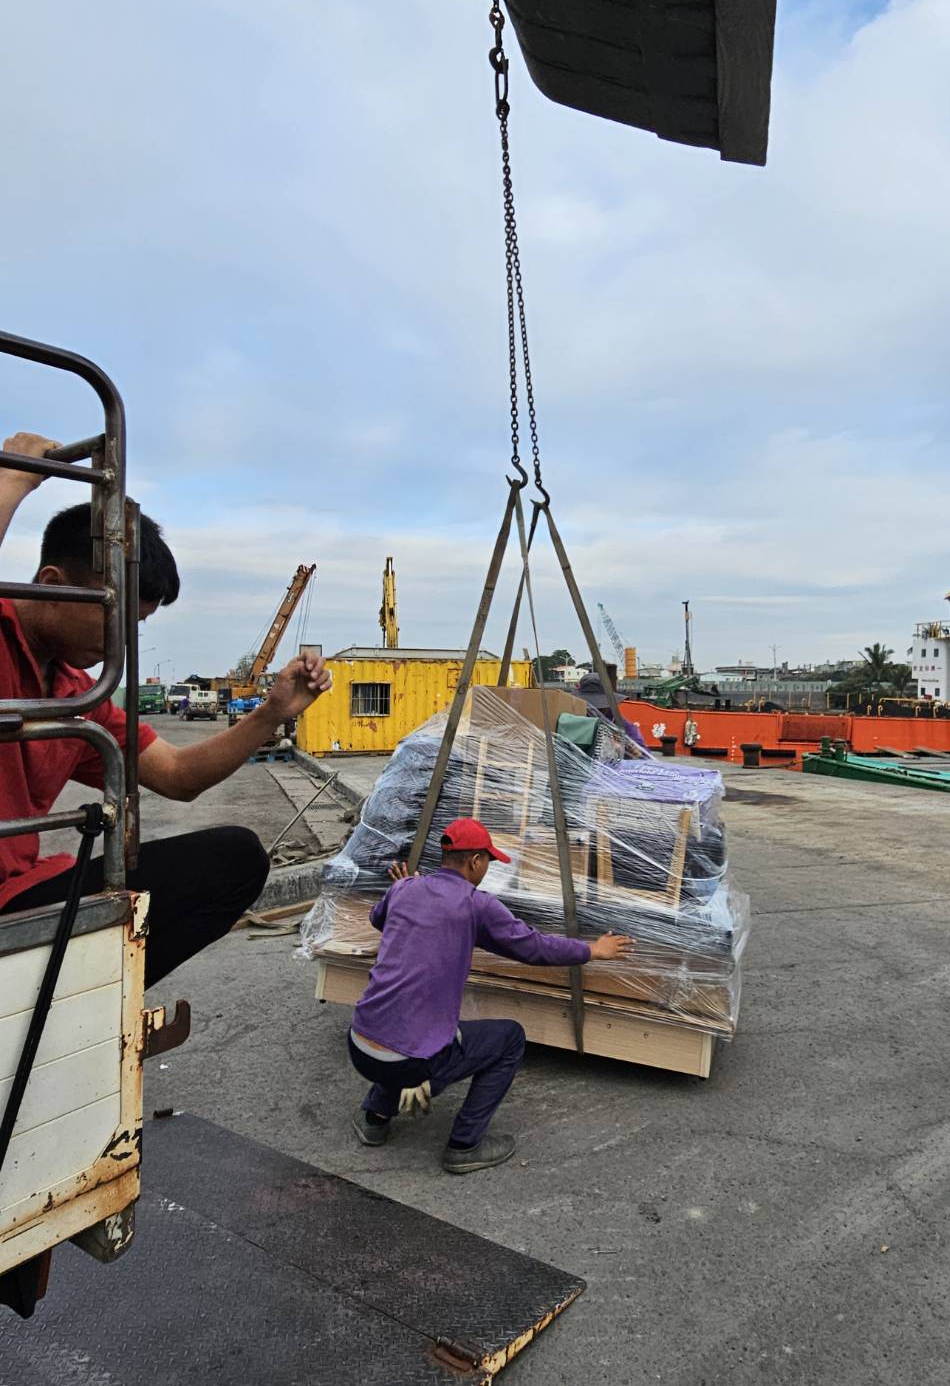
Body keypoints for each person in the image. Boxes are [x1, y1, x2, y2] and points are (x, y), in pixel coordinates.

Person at [0, 430, 333, 987]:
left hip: (20, 891)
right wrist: (12, 479)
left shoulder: (78, 695)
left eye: (133, 626)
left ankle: (98, 1003)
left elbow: (178, 776)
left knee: (236, 860)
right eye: (110, 617)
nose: (121, 642)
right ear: (52, 585)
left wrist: (272, 712)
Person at [348, 817, 634, 1174]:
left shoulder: (404, 888)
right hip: (408, 1061)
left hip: (359, 1043)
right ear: (475, 861)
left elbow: (379, 919)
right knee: (509, 1038)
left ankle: (374, 1118)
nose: (487, 870)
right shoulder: (476, 905)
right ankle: (464, 1146)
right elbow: (533, 947)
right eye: (488, 861)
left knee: (408, 1021)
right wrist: (593, 950)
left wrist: (410, 895)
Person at [576, 667, 648, 753]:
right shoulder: (572, 720)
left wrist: (627, 750)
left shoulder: (622, 725)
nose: (595, 709)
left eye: (600, 705)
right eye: (591, 704)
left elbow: (644, 754)